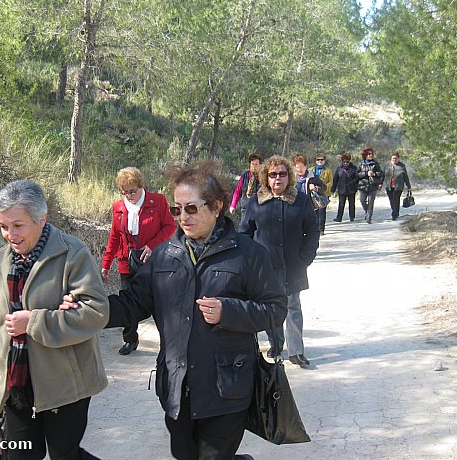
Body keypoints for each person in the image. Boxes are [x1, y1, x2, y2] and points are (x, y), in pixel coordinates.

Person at [62, 163, 287, 460]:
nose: (183, 217)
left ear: (217, 206)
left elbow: (275, 309)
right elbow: (133, 304)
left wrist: (228, 311)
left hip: (227, 389)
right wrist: (87, 308)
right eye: (176, 209)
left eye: (191, 208)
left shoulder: (249, 254)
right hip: (177, 387)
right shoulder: (165, 254)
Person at [0, 180, 108, 460]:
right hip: (16, 383)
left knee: (65, 454)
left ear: (42, 219)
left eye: (18, 225)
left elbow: (97, 313)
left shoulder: (71, 254)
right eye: (3, 226)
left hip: (65, 386)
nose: (9, 235)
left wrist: (35, 323)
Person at [240, 155, 320, 368]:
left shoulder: (301, 200)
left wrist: (306, 257)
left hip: (293, 264)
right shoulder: (255, 201)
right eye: (273, 174)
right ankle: (276, 345)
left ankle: (296, 352)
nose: (278, 178)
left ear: (289, 176)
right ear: (266, 177)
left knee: (293, 306)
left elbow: (312, 230)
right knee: (270, 308)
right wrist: (250, 261)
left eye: (282, 174)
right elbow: (245, 233)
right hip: (265, 267)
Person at [101, 167, 176, 355]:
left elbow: (170, 227)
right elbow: (114, 237)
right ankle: (130, 340)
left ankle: (168, 342)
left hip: (153, 263)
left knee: (160, 303)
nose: (129, 195)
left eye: (132, 191)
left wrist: (152, 245)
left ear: (141, 186)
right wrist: (106, 263)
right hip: (127, 262)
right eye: (125, 192)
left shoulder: (157, 201)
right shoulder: (118, 207)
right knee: (127, 302)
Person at [356, 147, 384, 224]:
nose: (371, 155)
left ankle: (369, 218)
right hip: (362, 186)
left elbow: (381, 173)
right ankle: (366, 211)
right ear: (365, 155)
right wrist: (365, 173)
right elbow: (357, 174)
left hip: (373, 185)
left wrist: (374, 174)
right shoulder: (361, 164)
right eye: (369, 154)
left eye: (372, 154)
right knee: (362, 201)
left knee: (371, 202)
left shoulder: (376, 164)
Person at [308, 154, 333, 234]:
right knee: (314, 211)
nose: (320, 161)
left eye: (321, 160)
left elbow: (330, 182)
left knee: (322, 211)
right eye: (318, 160)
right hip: (312, 193)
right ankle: (315, 227)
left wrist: (323, 190)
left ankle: (321, 228)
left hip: (323, 193)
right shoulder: (311, 170)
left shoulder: (328, 171)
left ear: (324, 161)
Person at [384, 151, 412, 221]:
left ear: (398, 159)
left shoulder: (402, 166)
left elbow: (405, 177)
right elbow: (382, 175)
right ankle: (395, 211)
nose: (394, 160)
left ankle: (395, 214)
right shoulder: (387, 165)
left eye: (396, 158)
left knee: (396, 200)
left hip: (398, 186)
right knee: (391, 200)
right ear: (391, 158)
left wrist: (409, 186)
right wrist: (380, 183)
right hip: (389, 186)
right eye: (393, 158)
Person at [331, 153, 358, 222]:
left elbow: (357, 178)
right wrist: (333, 189)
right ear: (342, 161)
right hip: (342, 189)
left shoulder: (354, 168)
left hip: (351, 189)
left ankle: (352, 217)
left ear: (349, 161)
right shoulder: (339, 169)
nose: (346, 163)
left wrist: (352, 184)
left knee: (351, 203)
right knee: (341, 204)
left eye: (347, 162)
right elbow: (335, 179)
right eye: (344, 162)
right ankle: (339, 218)